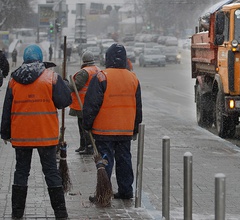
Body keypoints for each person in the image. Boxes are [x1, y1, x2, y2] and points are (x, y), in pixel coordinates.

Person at [1, 44, 71, 219]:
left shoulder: (14, 80)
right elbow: (64, 101)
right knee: (51, 173)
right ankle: (61, 214)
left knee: (21, 172)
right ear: (40, 58)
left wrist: (5, 133)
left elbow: (7, 109)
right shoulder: (51, 77)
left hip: (21, 136)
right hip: (45, 135)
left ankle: (17, 214)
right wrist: (64, 85)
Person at [83, 43, 142, 202]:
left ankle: (104, 193)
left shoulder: (102, 76)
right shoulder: (133, 78)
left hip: (104, 129)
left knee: (105, 161)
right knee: (124, 161)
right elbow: (138, 106)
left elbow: (92, 104)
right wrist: (135, 128)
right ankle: (125, 190)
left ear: (108, 58)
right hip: (125, 130)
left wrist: (87, 124)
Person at [68, 50, 101, 155]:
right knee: (87, 125)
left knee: (83, 126)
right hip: (93, 103)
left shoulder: (84, 72)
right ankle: (84, 146)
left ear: (83, 60)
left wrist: (66, 84)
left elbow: (76, 86)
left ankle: (88, 147)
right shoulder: (97, 70)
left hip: (82, 103)